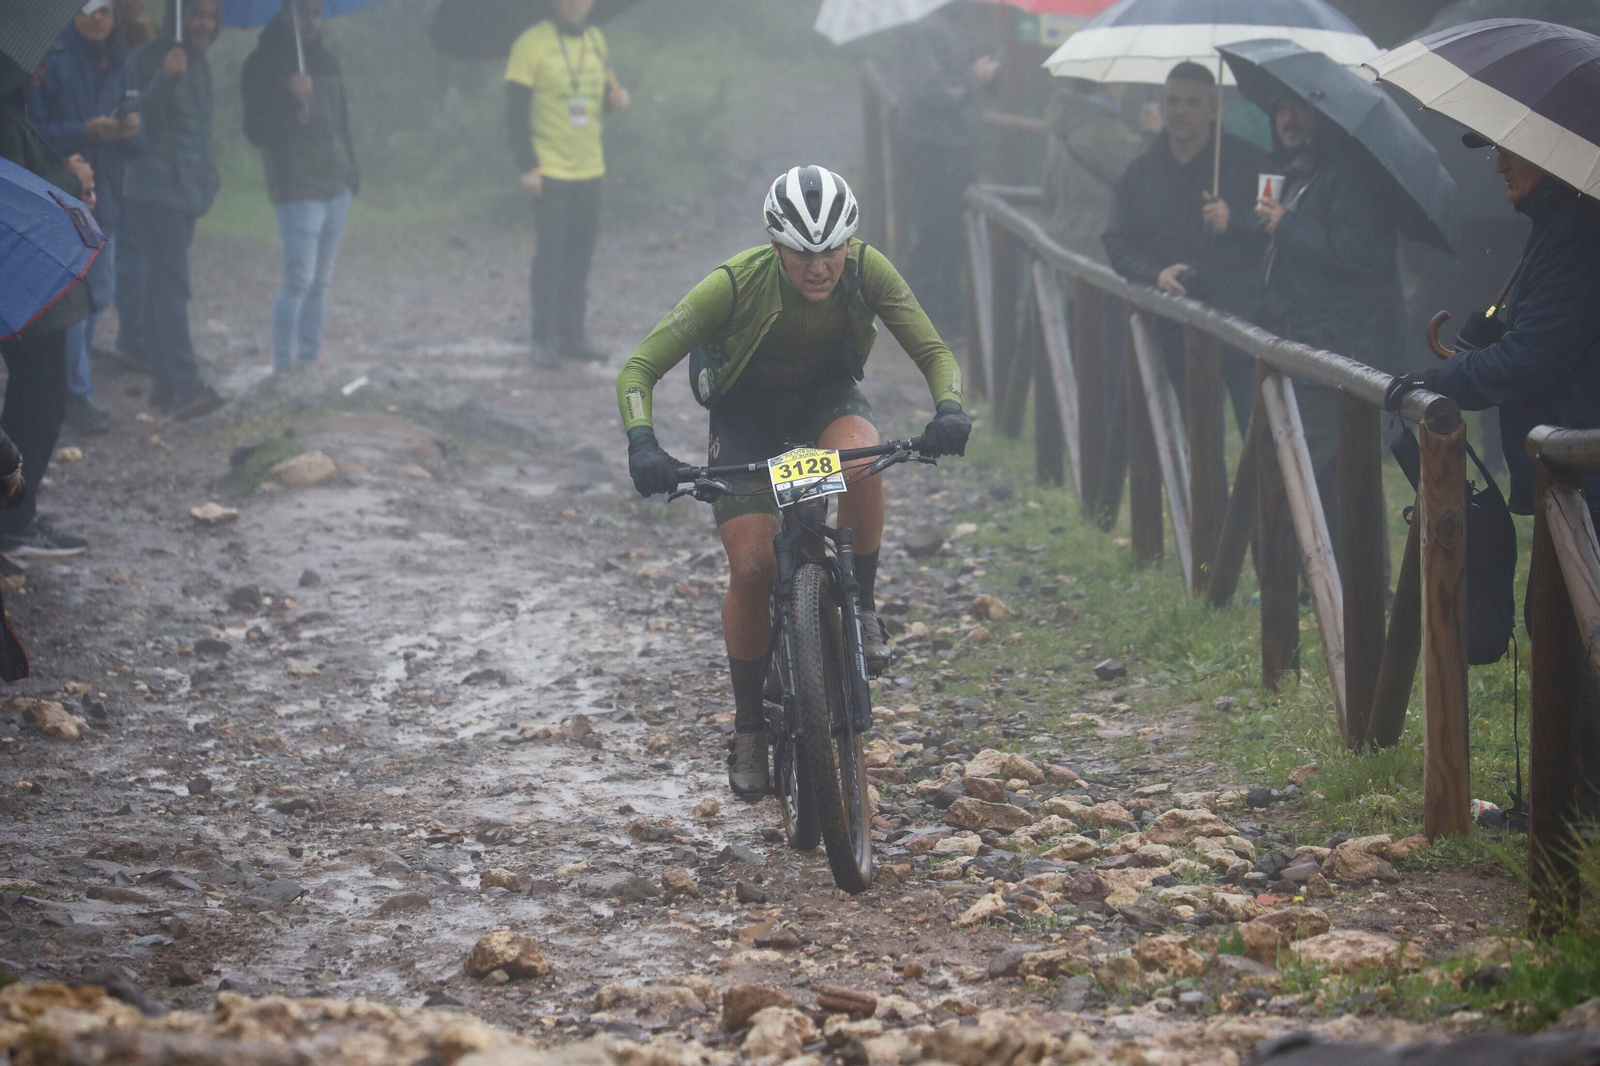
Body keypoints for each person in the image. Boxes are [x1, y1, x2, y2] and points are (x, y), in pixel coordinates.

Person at [615, 166, 971, 798]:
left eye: (831, 250)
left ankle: (860, 607)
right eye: (803, 254)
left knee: (861, 459)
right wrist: (644, 444)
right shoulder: (732, 284)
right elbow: (639, 368)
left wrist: (948, 408)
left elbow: (936, 354)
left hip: (824, 403)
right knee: (752, 566)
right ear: (776, 247)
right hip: (746, 419)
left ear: (848, 244)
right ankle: (750, 728)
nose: (819, 268)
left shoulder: (867, 271)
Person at [1386, 145, 1600, 817]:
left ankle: (1573, 813)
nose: (1499, 166)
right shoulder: (1561, 226)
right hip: (1569, 469)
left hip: (1584, 467)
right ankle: (1567, 804)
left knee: (1575, 629)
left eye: (1515, 154)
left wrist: (1440, 381)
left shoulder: (1580, 232)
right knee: (1558, 621)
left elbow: (1535, 356)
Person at [1257, 96, 1406, 549]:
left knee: (1299, 471)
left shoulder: (1353, 174)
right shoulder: (1306, 168)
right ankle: (1340, 588)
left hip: (1338, 348)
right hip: (1307, 343)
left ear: (1330, 116)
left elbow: (1357, 255)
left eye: (1302, 108)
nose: (1289, 117)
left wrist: (1286, 226)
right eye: (1282, 108)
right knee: (1333, 476)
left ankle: (1310, 591)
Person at [1103, 61, 1268, 435]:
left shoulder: (1252, 163)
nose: (1180, 111)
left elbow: (1277, 233)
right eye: (1172, 101)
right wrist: (1154, 274)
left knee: (1258, 436)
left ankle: (1260, 497)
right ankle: (1203, 498)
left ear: (1213, 108)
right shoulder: (1139, 173)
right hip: (1174, 323)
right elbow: (1116, 240)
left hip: (1243, 319)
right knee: (1195, 435)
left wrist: (1236, 221)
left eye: (1192, 102)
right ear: (1160, 106)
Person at [27, 0, 144, 437]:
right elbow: (33, 128)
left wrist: (131, 130)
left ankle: (73, 382)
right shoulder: (51, 56)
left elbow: (139, 136)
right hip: (64, 196)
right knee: (73, 300)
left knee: (101, 291)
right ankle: (75, 392)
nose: (98, 17)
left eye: (106, 10)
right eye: (89, 8)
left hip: (107, 194)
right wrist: (83, 130)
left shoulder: (120, 62)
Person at [0, 56, 96, 557]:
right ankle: (13, 524)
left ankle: (15, 518)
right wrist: (71, 178)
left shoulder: (15, 106)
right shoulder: (4, 115)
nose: (45, 64)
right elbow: (17, 196)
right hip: (25, 284)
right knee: (39, 402)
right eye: (34, 57)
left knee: (32, 401)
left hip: (26, 281)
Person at [504, 0, 629, 368]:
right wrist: (528, 166)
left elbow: (597, 97)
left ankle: (573, 335)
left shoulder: (596, 40)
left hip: (591, 166)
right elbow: (514, 113)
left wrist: (614, 100)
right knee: (551, 256)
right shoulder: (529, 44)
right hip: (550, 168)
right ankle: (543, 339)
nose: (575, 4)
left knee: (580, 255)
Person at [242, 0, 359, 374]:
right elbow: (256, 131)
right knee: (298, 279)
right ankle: (281, 366)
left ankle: (310, 359)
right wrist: (286, 96)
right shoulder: (261, 64)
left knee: (321, 282)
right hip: (296, 187)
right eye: (302, 11)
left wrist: (352, 172)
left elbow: (342, 123)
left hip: (335, 184)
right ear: (285, 12)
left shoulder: (328, 62)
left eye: (316, 12)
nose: (310, 20)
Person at [122, 0, 224, 419]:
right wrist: (164, 77)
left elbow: (198, 130)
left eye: (211, 16)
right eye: (196, 13)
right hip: (153, 189)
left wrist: (209, 178)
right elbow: (132, 118)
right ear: (177, 15)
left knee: (160, 286)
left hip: (184, 190)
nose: (203, 23)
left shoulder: (199, 62)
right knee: (171, 285)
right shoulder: (147, 58)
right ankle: (184, 384)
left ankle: (164, 384)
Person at [895, 4, 997, 338]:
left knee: (950, 233)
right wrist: (974, 78)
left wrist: (977, 77)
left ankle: (946, 317)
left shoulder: (948, 25)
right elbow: (930, 89)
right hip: (934, 149)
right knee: (935, 232)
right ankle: (925, 322)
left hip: (951, 148)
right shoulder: (927, 28)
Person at [1040, 79, 1146, 263]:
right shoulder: (1108, 130)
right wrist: (1151, 136)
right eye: (1121, 83)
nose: (1124, 89)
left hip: (1061, 236)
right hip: (1099, 246)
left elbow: (1048, 191)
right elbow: (1139, 187)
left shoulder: (1060, 124)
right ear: (1108, 85)